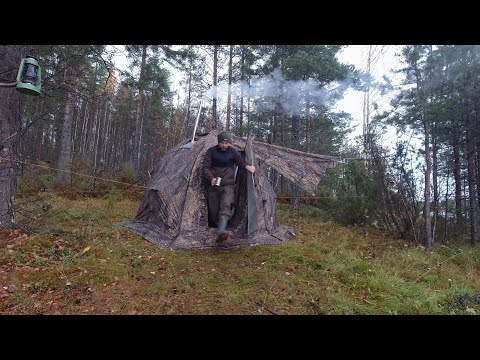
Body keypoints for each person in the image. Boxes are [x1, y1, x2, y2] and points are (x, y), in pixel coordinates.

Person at [203, 131, 256, 242]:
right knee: (213, 208)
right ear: (219, 142)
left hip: (228, 184)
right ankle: (215, 227)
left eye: (227, 143)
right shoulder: (211, 152)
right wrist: (211, 178)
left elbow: (240, 162)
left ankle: (220, 232)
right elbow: (206, 167)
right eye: (222, 143)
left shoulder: (233, 152)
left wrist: (248, 167)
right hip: (214, 184)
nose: (224, 145)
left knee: (226, 204)